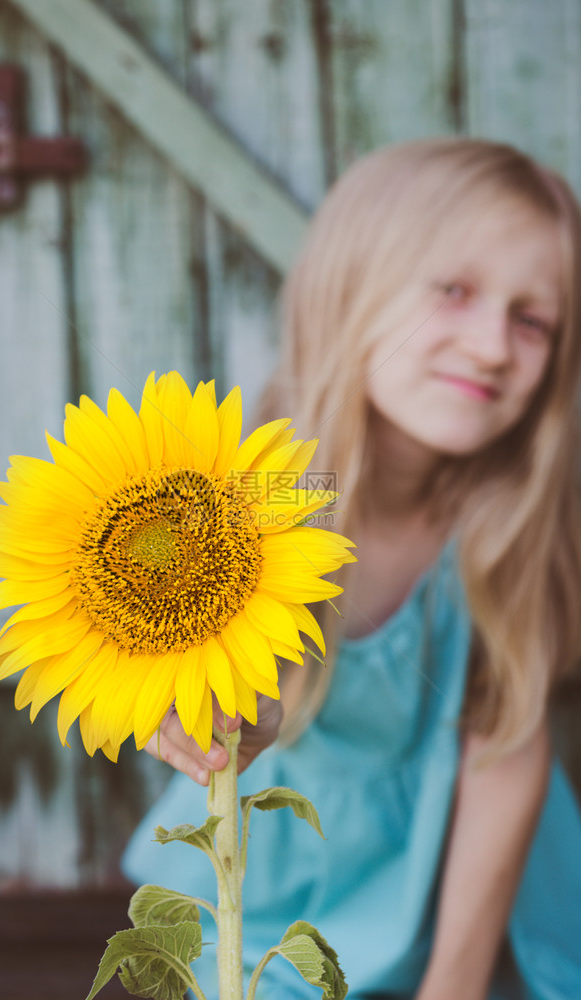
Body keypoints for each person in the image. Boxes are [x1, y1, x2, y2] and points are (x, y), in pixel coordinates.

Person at [122, 137, 581, 1000]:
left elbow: (505, 745)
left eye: (532, 322)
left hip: (486, 880)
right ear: (347, 290)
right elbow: (237, 709)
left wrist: (454, 983)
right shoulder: (246, 500)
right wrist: (207, 718)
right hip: (292, 877)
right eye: (451, 291)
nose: (490, 347)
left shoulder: (508, 519)